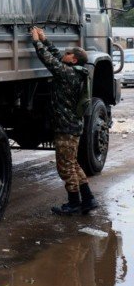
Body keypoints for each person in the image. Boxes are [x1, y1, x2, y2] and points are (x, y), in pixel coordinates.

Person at [30, 26, 98, 215]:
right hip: (72, 127)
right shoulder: (75, 71)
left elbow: (49, 60)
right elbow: (57, 57)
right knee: (73, 164)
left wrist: (36, 41)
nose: (64, 54)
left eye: (68, 53)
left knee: (65, 168)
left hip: (66, 129)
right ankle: (89, 199)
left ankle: (74, 203)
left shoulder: (67, 74)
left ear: (73, 59)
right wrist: (45, 40)